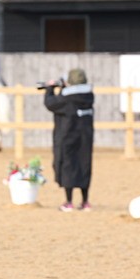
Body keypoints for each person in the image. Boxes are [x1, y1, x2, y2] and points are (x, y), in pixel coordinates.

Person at [43, 68, 94, 211]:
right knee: (85, 166)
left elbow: (51, 103)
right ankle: (85, 202)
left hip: (68, 138)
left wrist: (50, 89)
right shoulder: (89, 96)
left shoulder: (67, 99)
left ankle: (69, 202)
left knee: (68, 167)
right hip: (85, 138)